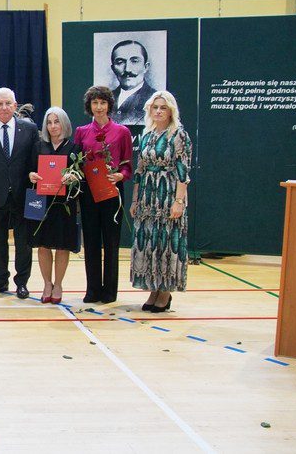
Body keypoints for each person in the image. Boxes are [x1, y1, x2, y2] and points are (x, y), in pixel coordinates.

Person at [129, 91, 192, 313]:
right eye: (155, 107)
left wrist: (178, 201)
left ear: (171, 111)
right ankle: (153, 289)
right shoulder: (147, 135)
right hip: (148, 197)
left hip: (167, 196)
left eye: (163, 108)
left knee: (166, 244)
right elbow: (139, 170)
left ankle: (165, 291)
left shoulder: (179, 135)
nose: (158, 111)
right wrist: (136, 199)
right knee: (149, 243)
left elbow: (183, 172)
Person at [0, 87, 40, 299]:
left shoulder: (29, 129)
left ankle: (22, 282)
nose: (4, 107)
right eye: (0, 104)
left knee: (24, 242)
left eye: (8, 103)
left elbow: (35, 164)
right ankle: (0, 281)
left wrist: (35, 192)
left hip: (23, 195)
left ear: (15, 105)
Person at [74, 85, 133, 304]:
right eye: (95, 103)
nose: (99, 107)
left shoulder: (122, 132)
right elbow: (77, 162)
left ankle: (109, 291)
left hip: (112, 192)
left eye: (103, 103)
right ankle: (92, 290)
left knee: (110, 242)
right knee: (90, 242)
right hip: (89, 193)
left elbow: (128, 165)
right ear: (89, 106)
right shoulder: (81, 132)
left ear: (109, 105)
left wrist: (120, 176)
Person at [26, 107, 79, 304]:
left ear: (64, 124)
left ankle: (58, 284)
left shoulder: (74, 148)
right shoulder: (39, 146)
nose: (53, 126)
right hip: (42, 202)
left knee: (62, 246)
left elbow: (80, 178)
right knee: (43, 245)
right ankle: (47, 283)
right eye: (49, 122)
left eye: (57, 122)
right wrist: (31, 175)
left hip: (64, 204)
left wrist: (73, 177)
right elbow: (29, 171)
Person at [109, 40, 156, 125]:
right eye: (120, 62)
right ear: (113, 69)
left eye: (134, 61)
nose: (127, 69)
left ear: (145, 67)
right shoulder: (104, 99)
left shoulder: (156, 100)